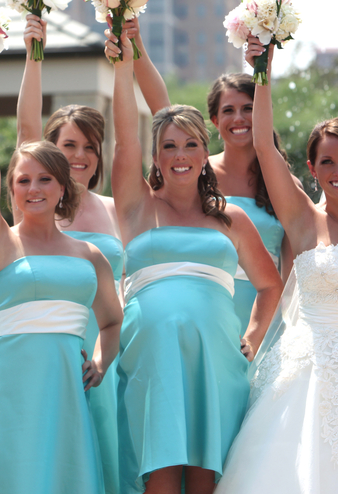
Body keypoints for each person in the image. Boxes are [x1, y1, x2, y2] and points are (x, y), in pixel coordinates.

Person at [110, 32, 283, 494]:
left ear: (205, 153)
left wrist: (251, 336)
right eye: (168, 146)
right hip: (152, 354)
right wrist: (122, 67)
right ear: (156, 157)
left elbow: (270, 285)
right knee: (160, 474)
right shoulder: (137, 206)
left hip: (217, 357)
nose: (180, 155)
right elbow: (125, 141)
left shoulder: (231, 217)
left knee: (209, 476)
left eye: (190, 145)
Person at [0, 50, 124, 494]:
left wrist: (102, 363)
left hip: (68, 387)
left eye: (45, 179)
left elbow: (111, 321)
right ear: (11, 188)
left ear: (62, 185)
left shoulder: (90, 255)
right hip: (7, 383)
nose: (34, 189)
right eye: (23, 180)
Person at [215, 39, 338, 494]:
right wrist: (262, 70)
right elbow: (262, 144)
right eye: (326, 161)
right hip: (305, 371)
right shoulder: (303, 220)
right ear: (312, 169)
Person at [105, 19, 298, 336]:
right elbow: (161, 114)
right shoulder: (192, 172)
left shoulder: (283, 186)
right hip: (202, 305)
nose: (239, 118)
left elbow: (289, 268)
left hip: (262, 311)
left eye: (248, 109)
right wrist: (135, 44)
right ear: (212, 121)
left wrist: (282, 328)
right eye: (228, 110)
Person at [16, 14, 124, 494]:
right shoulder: (37, 210)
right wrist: (33, 52)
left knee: (106, 453)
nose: (79, 155)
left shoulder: (121, 210)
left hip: (108, 350)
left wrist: (104, 358)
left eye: (89, 147)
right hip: (42, 352)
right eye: (68, 145)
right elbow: (24, 131)